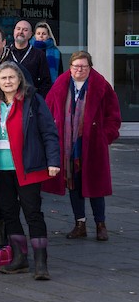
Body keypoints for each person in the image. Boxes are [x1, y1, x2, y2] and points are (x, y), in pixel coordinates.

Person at [0, 62, 60, 281]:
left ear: (20, 79)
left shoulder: (33, 101)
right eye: (3, 78)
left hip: (28, 168)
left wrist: (53, 161)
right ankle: (19, 258)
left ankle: (41, 263)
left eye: (12, 77)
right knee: (9, 213)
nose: (8, 81)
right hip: (0, 169)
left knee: (32, 213)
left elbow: (49, 132)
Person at [44, 51, 121, 242]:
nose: (79, 70)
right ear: (70, 68)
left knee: (95, 186)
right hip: (67, 146)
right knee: (74, 185)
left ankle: (100, 225)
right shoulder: (60, 84)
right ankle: (80, 224)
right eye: (76, 66)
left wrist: (104, 136)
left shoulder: (102, 86)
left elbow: (114, 116)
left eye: (84, 66)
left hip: (93, 145)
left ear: (90, 67)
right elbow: (48, 111)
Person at [8, 20, 53, 97]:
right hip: (7, 98)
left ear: (31, 34)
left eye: (25, 30)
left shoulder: (39, 55)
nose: (20, 32)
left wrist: (38, 99)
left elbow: (46, 82)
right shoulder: (5, 52)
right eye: (18, 29)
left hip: (30, 99)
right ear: (14, 31)